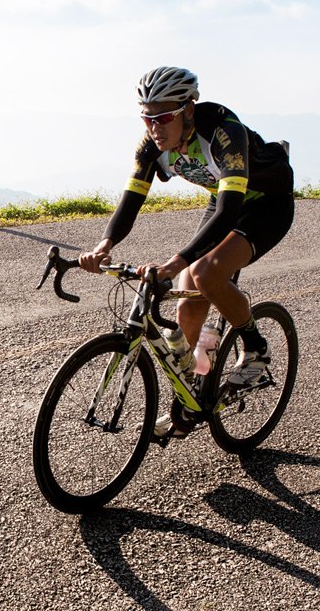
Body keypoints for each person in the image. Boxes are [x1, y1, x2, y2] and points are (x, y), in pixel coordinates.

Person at [77, 66, 295, 437]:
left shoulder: (224, 131)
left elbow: (229, 211)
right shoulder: (151, 147)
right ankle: (189, 395)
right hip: (222, 199)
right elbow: (131, 202)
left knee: (206, 271)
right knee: (187, 298)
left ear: (188, 110)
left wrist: (180, 259)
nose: (154, 128)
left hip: (266, 204)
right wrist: (104, 244)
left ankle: (256, 349)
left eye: (163, 118)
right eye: (147, 118)